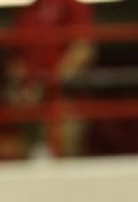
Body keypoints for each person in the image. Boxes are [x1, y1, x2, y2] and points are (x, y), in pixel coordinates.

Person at [6, 0, 96, 158]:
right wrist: (19, 90)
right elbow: (16, 58)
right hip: (31, 103)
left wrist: (49, 83)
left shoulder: (73, 6)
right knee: (31, 160)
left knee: (64, 157)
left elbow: (82, 49)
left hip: (63, 101)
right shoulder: (27, 11)